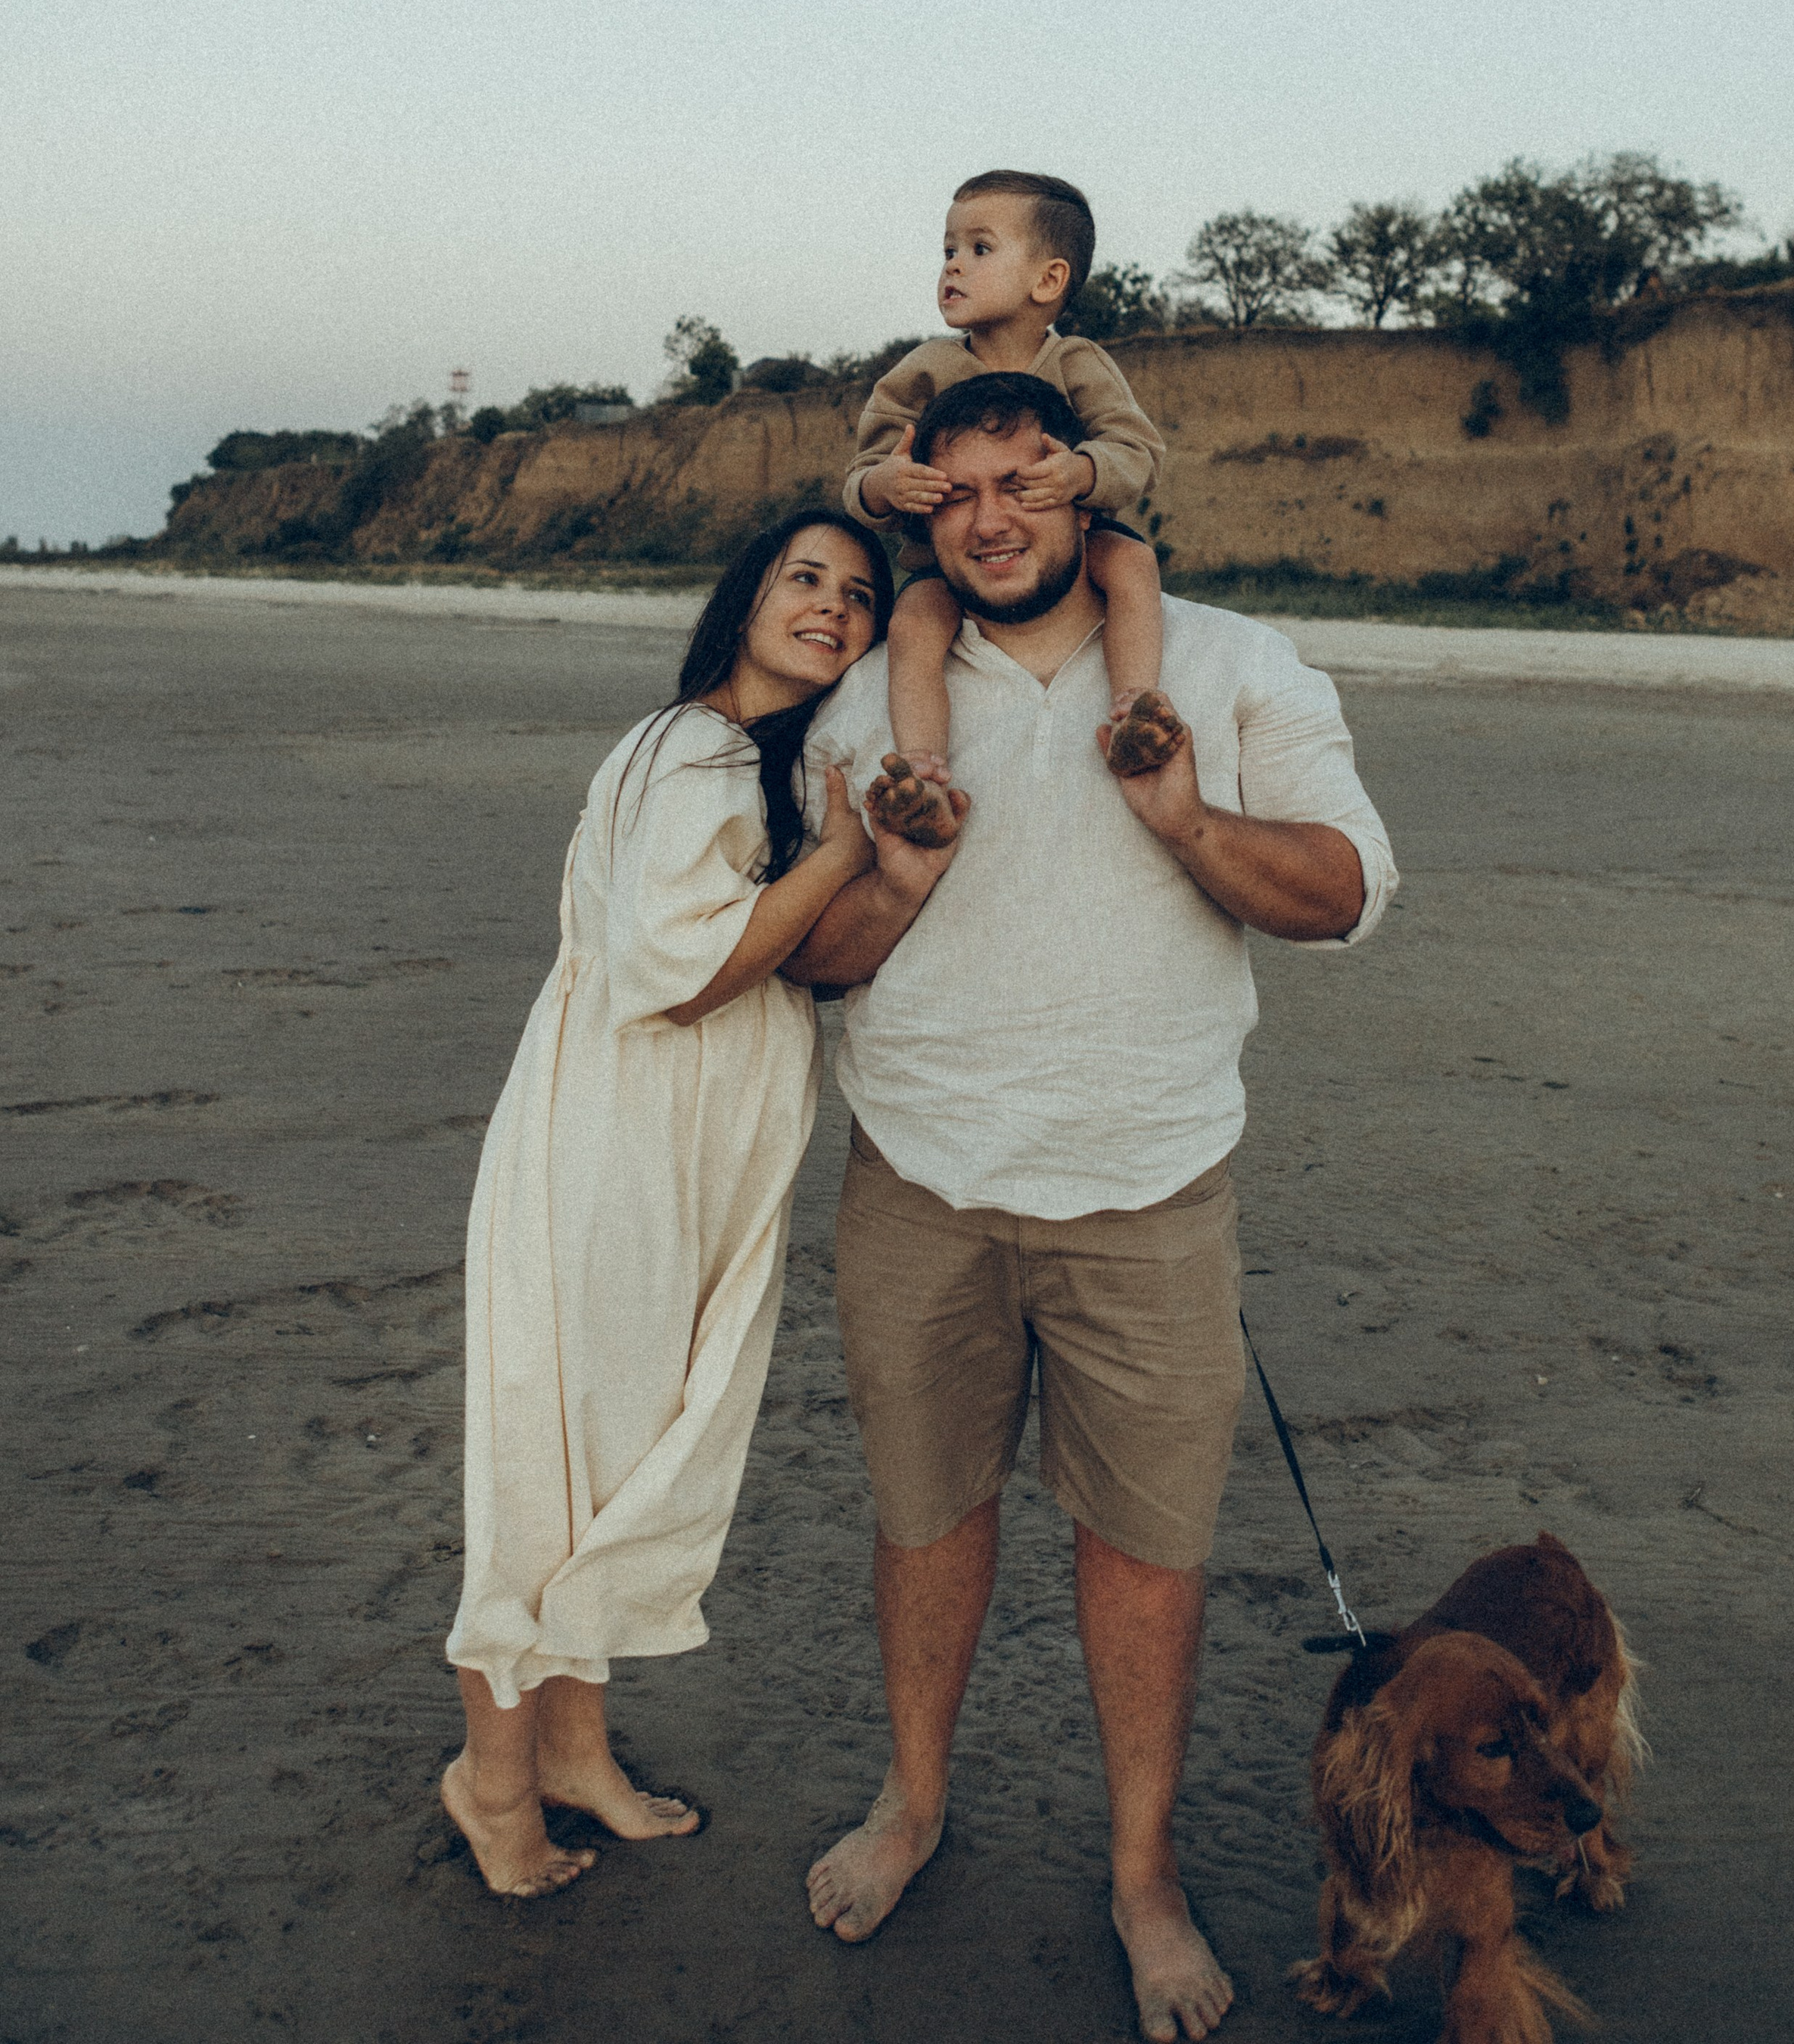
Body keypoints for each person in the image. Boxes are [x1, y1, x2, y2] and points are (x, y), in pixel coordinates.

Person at [792, 375, 1398, 2044]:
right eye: (957, 487)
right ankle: (912, 1804)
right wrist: (898, 877)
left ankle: (1141, 1873)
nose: (990, 516)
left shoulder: (1227, 665)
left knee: (1145, 1557)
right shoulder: (865, 705)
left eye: (1022, 483)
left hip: (1149, 1191)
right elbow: (814, 962)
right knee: (925, 1522)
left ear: (1086, 495)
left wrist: (1184, 815)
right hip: (918, 1177)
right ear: (920, 502)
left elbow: (1345, 891)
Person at [440, 511, 957, 1899]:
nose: (834, 609)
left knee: (615, 1443)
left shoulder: (747, 765)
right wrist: (843, 856)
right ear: (743, 601)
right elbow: (685, 975)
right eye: (805, 580)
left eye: (858, 595)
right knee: (557, 1462)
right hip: (617, 1153)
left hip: (673, 1155)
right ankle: (494, 1784)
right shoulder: (692, 753)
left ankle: (575, 1752)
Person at [844, 168, 1173, 842]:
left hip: (1071, 543)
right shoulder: (926, 369)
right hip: (951, 562)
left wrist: (1082, 472)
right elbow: (863, 472)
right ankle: (924, 771)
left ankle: (1135, 709)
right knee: (913, 624)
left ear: (1048, 280)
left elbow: (1136, 449)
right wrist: (888, 485)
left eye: (979, 249)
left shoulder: (1077, 362)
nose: (953, 267)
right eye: (948, 252)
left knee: (1135, 568)